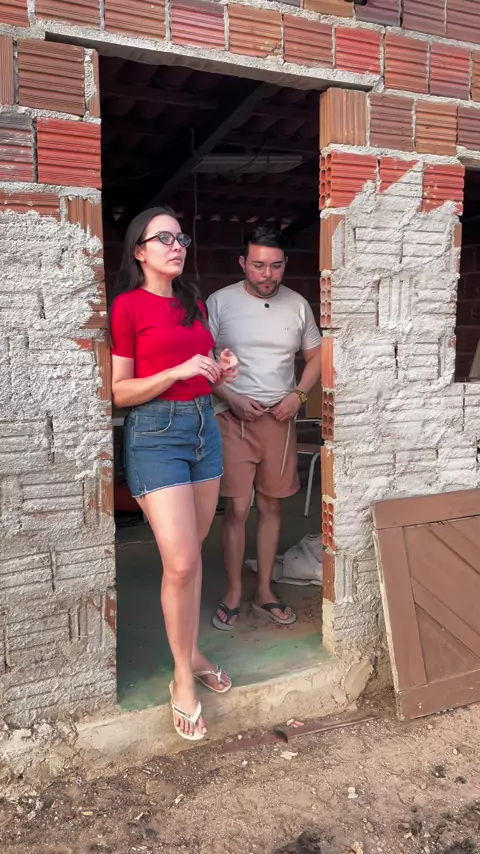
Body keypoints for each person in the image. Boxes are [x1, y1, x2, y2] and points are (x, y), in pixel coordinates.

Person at [110, 206, 238, 742]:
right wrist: (177, 370)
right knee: (181, 562)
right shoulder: (127, 306)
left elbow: (201, 372)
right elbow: (120, 391)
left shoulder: (195, 304)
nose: (176, 246)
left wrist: (220, 368)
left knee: (192, 555)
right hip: (155, 434)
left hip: (204, 428)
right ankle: (182, 676)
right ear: (139, 251)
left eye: (181, 238)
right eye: (163, 238)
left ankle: (192, 651)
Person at [206, 226, 322, 630]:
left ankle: (265, 592)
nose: (267, 274)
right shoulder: (220, 302)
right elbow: (201, 359)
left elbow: (317, 356)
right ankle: (233, 591)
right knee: (237, 508)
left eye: (275, 266)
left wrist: (299, 396)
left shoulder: (297, 305)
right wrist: (231, 397)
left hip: (280, 418)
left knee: (272, 505)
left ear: (285, 264)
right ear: (243, 263)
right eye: (258, 265)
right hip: (233, 417)